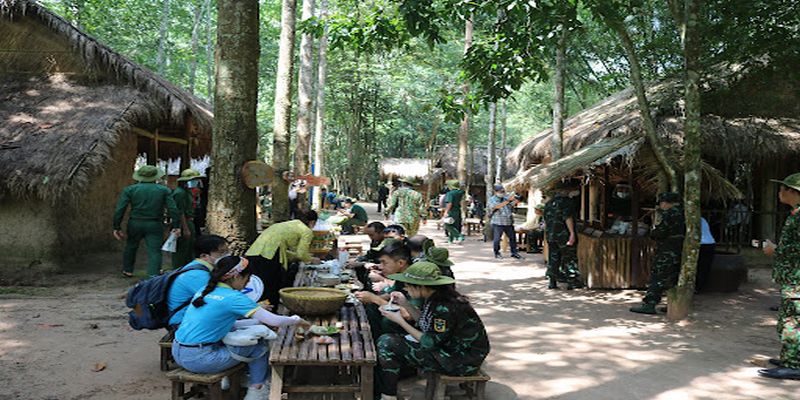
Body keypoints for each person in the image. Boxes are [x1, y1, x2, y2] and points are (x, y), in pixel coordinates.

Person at [172, 256, 310, 400]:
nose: (248, 282)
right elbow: (273, 320)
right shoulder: (234, 297)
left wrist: (256, 323)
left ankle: (234, 379)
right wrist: (297, 320)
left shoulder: (204, 291)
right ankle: (258, 388)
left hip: (179, 352)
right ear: (237, 276)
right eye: (248, 277)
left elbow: (226, 325)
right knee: (259, 345)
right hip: (202, 359)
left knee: (240, 335)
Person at [377, 262, 490, 400]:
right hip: (450, 350)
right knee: (390, 340)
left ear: (422, 286)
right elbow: (425, 322)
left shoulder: (444, 307)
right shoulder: (435, 298)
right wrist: (405, 303)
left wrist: (399, 320)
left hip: (461, 360)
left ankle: (388, 395)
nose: (405, 288)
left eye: (408, 284)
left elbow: (429, 342)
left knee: (387, 343)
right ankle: (389, 391)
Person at [758, 173, 800, 380]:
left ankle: (794, 365)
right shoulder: (796, 214)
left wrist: (776, 250)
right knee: (788, 319)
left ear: (794, 192)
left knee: (793, 321)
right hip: (792, 278)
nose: (780, 192)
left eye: (784, 188)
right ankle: (790, 359)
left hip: (797, 280)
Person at [113, 165, 181, 278]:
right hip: (154, 224)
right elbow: (173, 209)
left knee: (131, 245)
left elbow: (120, 209)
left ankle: (128, 270)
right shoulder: (164, 190)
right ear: (156, 177)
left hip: (135, 222)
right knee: (154, 250)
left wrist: (116, 227)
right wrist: (176, 225)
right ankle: (153, 273)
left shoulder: (130, 190)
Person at [245, 210, 321, 307]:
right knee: (272, 286)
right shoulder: (306, 231)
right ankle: (271, 312)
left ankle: (257, 312)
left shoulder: (287, 224)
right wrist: (312, 259)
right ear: (313, 222)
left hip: (254, 252)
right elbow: (301, 254)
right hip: (270, 255)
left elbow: (284, 251)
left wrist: (297, 257)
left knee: (258, 286)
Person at [630, 192, 685, 314]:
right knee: (674, 277)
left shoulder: (670, 213)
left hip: (667, 250)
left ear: (665, 203)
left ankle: (650, 304)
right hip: (680, 250)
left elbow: (661, 232)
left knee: (658, 276)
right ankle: (674, 304)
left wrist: (652, 232)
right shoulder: (685, 213)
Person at [166, 235, 229, 330]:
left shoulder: (199, 268)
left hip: (191, 317)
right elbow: (220, 300)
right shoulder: (196, 275)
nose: (227, 255)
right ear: (204, 256)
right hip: (182, 322)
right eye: (221, 252)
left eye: (227, 251)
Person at [544, 181, 583, 289]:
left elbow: (546, 220)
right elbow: (568, 218)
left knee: (553, 257)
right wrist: (572, 234)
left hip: (551, 235)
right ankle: (572, 281)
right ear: (565, 190)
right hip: (564, 235)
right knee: (569, 257)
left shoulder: (549, 203)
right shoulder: (567, 202)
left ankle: (552, 281)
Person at [172, 169, 203, 269]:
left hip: (190, 222)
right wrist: (185, 228)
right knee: (181, 251)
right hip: (184, 223)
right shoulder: (179, 193)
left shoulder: (187, 192)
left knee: (189, 250)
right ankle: (178, 270)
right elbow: (180, 212)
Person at [487, 184, 524, 260]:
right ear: (495, 191)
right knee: (497, 239)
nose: (501, 193)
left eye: (502, 191)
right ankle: (497, 253)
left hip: (508, 222)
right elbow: (496, 207)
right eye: (500, 191)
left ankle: (514, 253)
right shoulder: (492, 199)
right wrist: (508, 201)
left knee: (512, 238)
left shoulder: (506, 198)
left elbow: (512, 205)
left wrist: (518, 199)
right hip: (498, 222)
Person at [695, 216, 716, 293]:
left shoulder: (693, 219)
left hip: (702, 244)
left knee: (700, 267)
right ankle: (701, 287)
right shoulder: (702, 219)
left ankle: (699, 287)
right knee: (704, 267)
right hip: (710, 243)